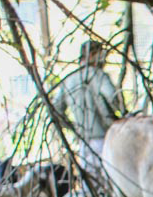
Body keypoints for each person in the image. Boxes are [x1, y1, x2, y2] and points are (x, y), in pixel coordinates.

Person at [52, 40, 121, 170]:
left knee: (89, 186)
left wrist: (73, 128)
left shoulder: (69, 80)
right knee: (110, 184)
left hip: (83, 143)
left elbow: (55, 110)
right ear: (92, 55)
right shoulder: (98, 75)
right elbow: (113, 97)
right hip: (105, 139)